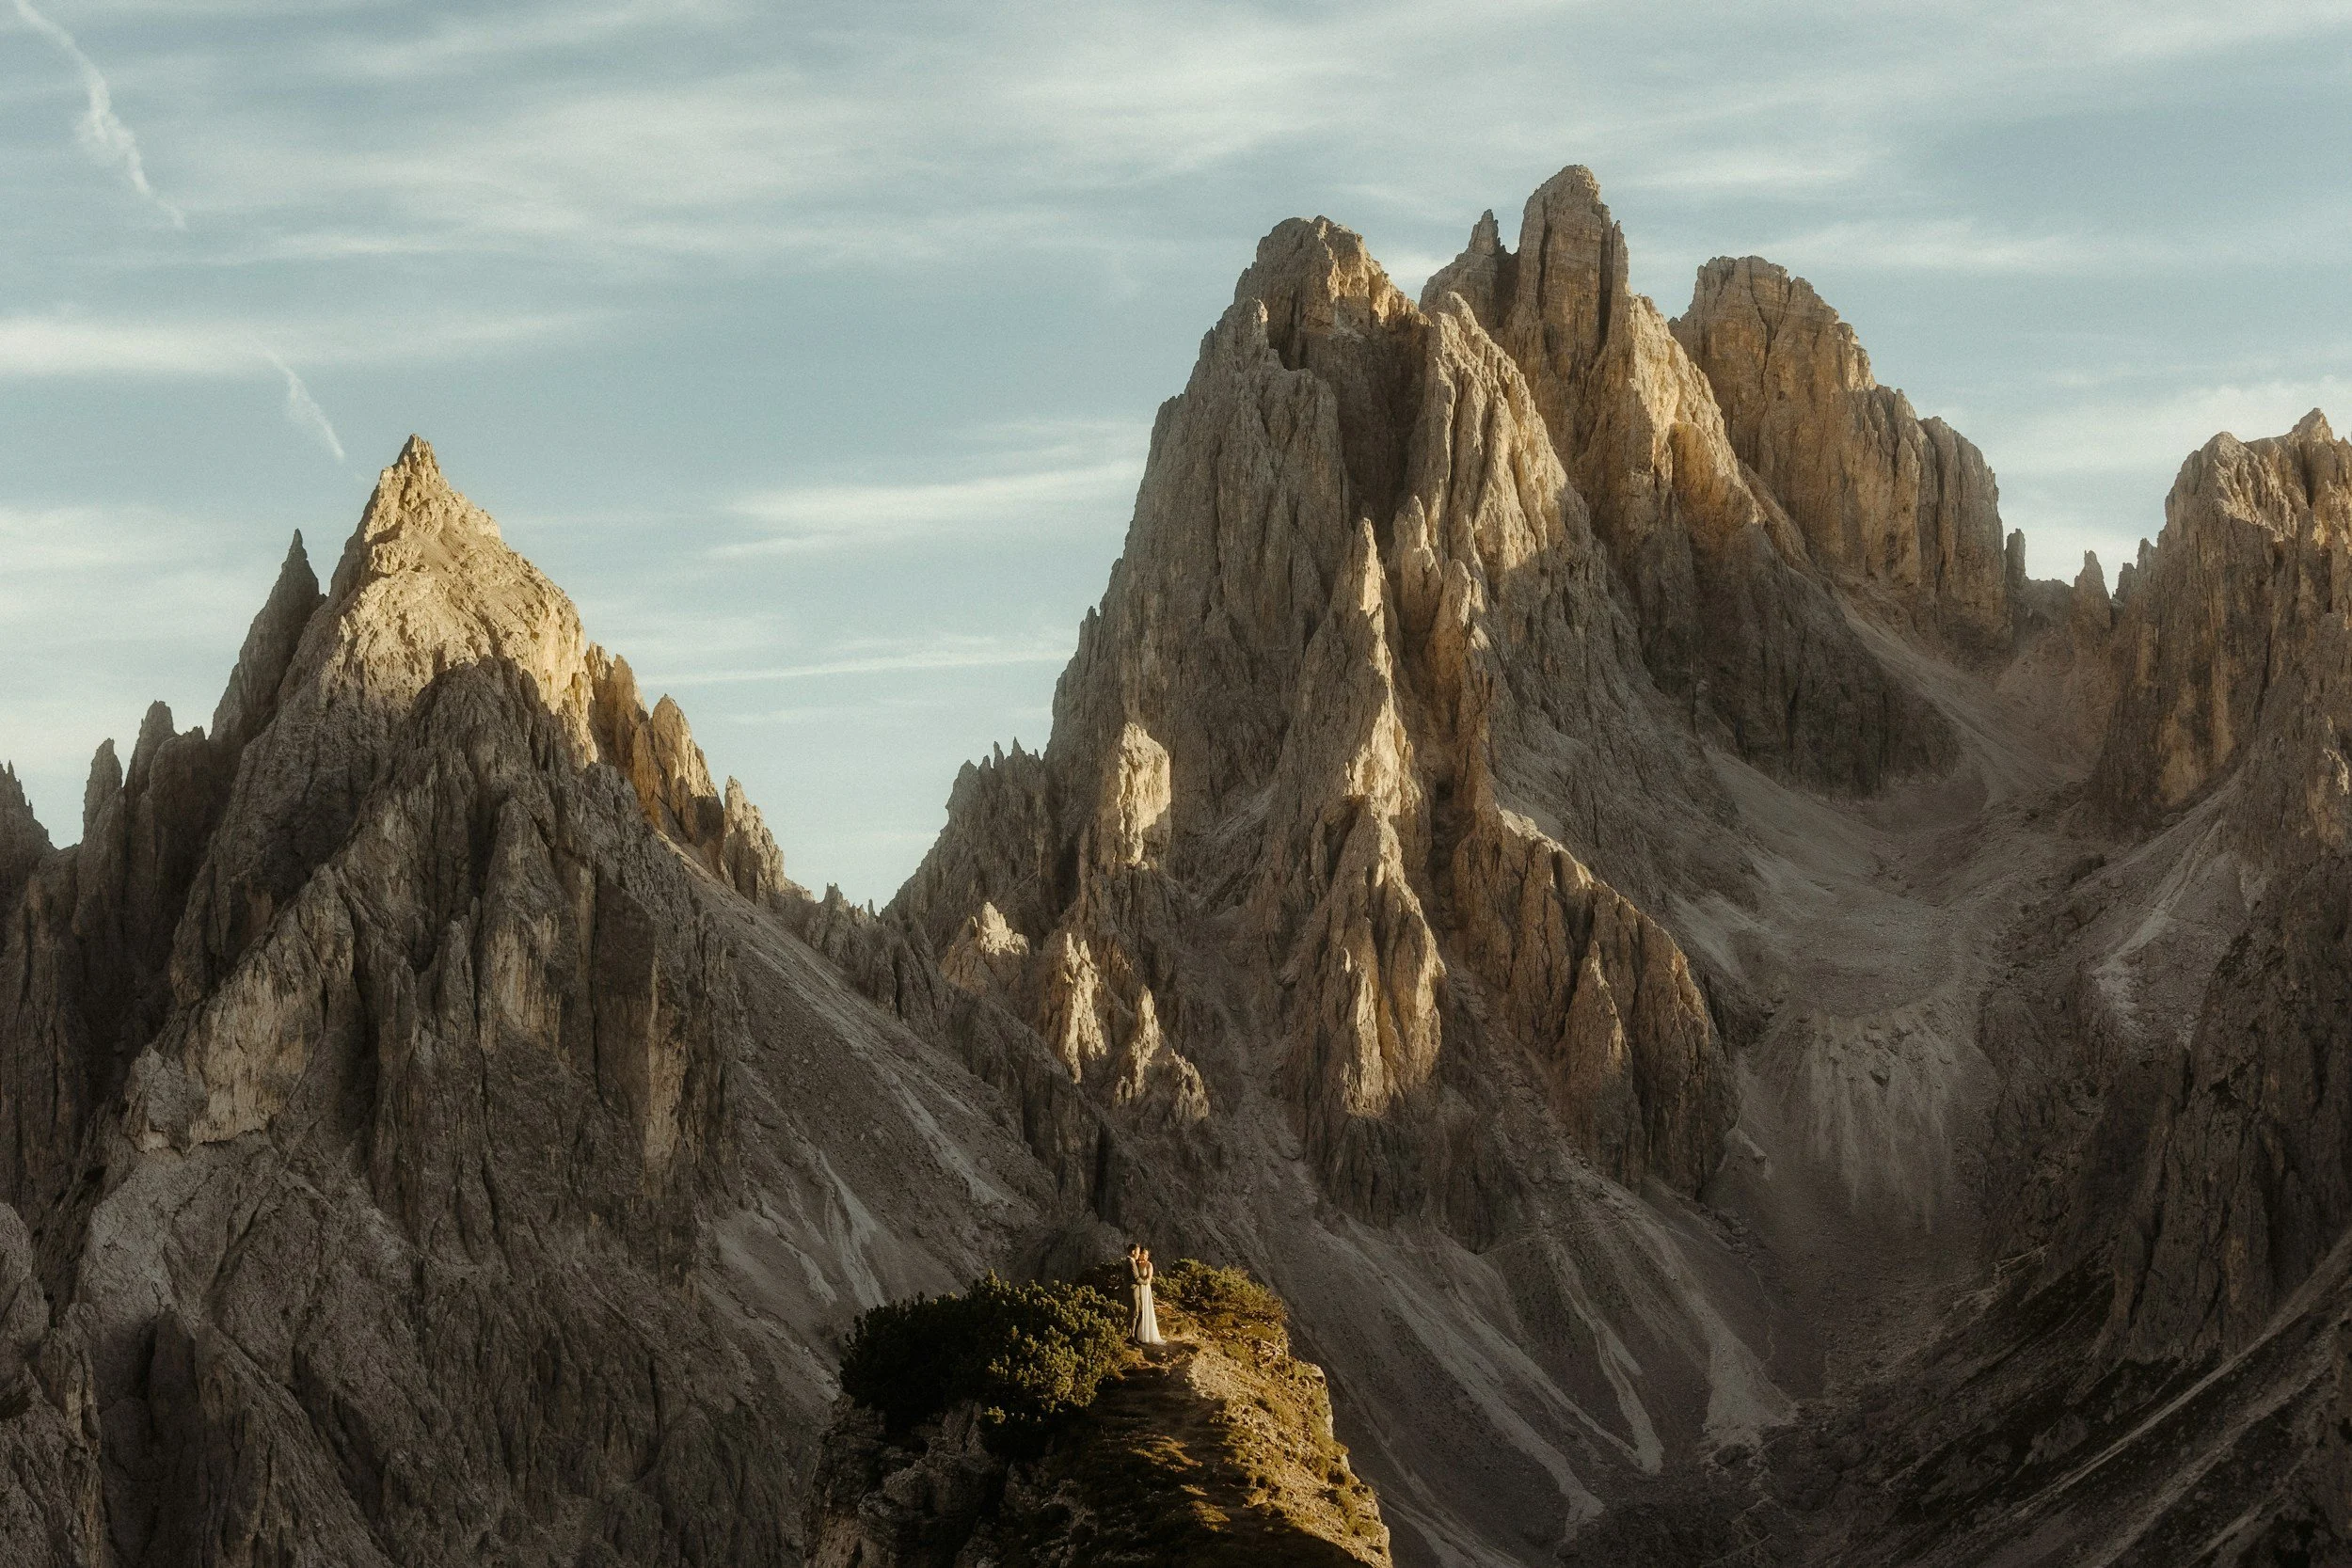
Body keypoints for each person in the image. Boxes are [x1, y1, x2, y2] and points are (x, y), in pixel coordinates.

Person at [1127, 1243, 1164, 1347]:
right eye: (1144, 1254)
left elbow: (1148, 1279)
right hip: (1137, 1289)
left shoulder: (1148, 1265)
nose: (1146, 1256)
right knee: (1137, 1311)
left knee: (1144, 1310)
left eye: (1147, 1255)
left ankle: (1145, 1335)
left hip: (1144, 1288)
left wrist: (1143, 1282)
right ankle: (1137, 1334)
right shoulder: (1135, 1263)